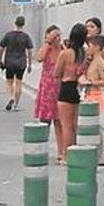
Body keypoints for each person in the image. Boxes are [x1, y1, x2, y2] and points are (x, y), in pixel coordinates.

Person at [54, 23, 88, 165]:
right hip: (77, 88)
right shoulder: (84, 54)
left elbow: (57, 73)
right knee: (74, 125)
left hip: (66, 88)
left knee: (66, 125)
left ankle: (66, 155)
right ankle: (73, 152)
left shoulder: (65, 53)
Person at [33, 25, 65, 160]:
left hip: (61, 88)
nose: (57, 39)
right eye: (54, 36)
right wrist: (48, 42)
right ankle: (40, 151)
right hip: (47, 90)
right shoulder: (47, 49)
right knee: (45, 121)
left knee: (60, 122)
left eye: (58, 36)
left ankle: (61, 152)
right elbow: (39, 58)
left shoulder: (64, 49)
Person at [80, 35, 104, 165]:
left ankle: (99, 156)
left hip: (96, 95)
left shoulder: (100, 62)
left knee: (96, 127)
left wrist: (91, 82)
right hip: (88, 94)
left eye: (90, 46)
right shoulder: (91, 60)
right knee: (89, 125)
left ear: (97, 47)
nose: (88, 49)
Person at [0, 16, 34, 111]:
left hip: (9, 62)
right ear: (24, 24)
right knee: (19, 83)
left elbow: (1, 48)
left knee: (9, 82)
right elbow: (30, 51)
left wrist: (0, 60)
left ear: (15, 23)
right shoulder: (26, 37)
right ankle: (16, 105)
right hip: (21, 62)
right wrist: (30, 64)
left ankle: (11, 97)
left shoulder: (8, 35)